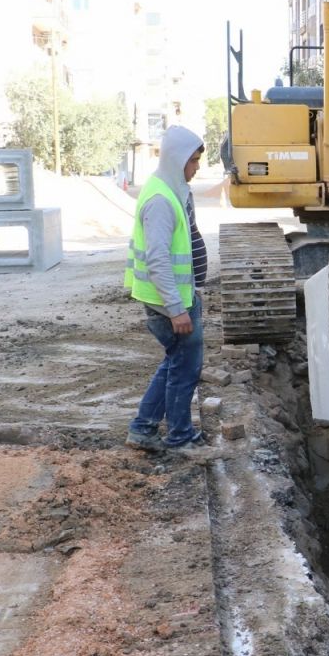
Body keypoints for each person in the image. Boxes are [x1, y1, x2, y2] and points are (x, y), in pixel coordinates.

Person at [124, 125, 210, 453]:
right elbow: (158, 259)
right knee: (184, 369)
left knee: (176, 362)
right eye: (194, 160)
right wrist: (176, 309)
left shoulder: (171, 188)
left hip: (178, 297)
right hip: (169, 303)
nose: (197, 167)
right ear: (178, 160)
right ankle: (180, 436)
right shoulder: (160, 199)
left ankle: (143, 428)